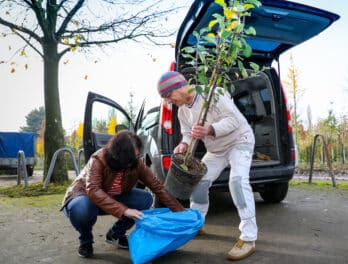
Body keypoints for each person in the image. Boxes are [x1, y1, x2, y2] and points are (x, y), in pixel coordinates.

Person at [157, 71, 258, 261]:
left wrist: (210, 129)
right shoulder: (182, 111)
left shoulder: (213, 94)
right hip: (217, 149)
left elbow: (234, 120)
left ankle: (249, 238)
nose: (169, 101)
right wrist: (184, 143)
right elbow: (188, 132)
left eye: (169, 96)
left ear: (180, 87)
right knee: (199, 181)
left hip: (240, 140)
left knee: (237, 182)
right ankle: (198, 222)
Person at [61, 130, 184, 258]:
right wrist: (125, 210)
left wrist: (181, 212)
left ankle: (115, 234)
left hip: (112, 198)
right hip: (85, 197)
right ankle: (85, 241)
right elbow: (93, 190)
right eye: (133, 154)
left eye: (137, 154)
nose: (136, 158)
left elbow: (157, 187)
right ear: (120, 153)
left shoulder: (136, 163)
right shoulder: (98, 159)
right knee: (82, 209)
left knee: (145, 199)